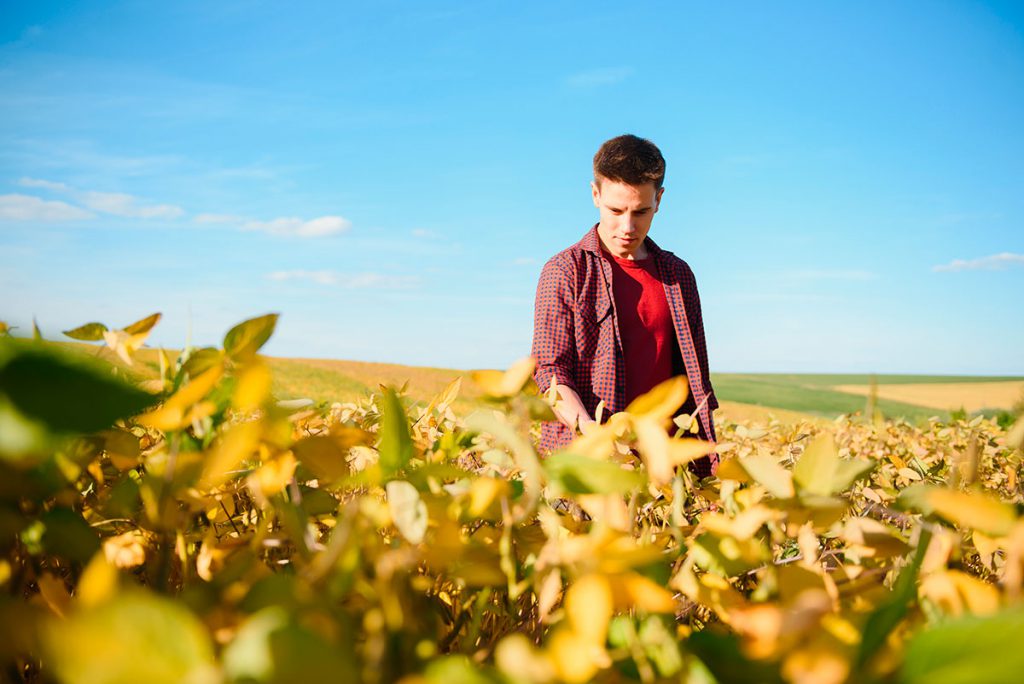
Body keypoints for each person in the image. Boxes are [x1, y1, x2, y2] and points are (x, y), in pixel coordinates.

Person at [530, 134, 719, 478]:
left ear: (659, 199)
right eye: (615, 211)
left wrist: (704, 464)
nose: (627, 227)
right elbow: (550, 370)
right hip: (585, 465)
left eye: (641, 211)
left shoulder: (679, 276)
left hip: (667, 471)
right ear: (595, 195)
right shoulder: (565, 271)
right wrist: (592, 433)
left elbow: (695, 380)